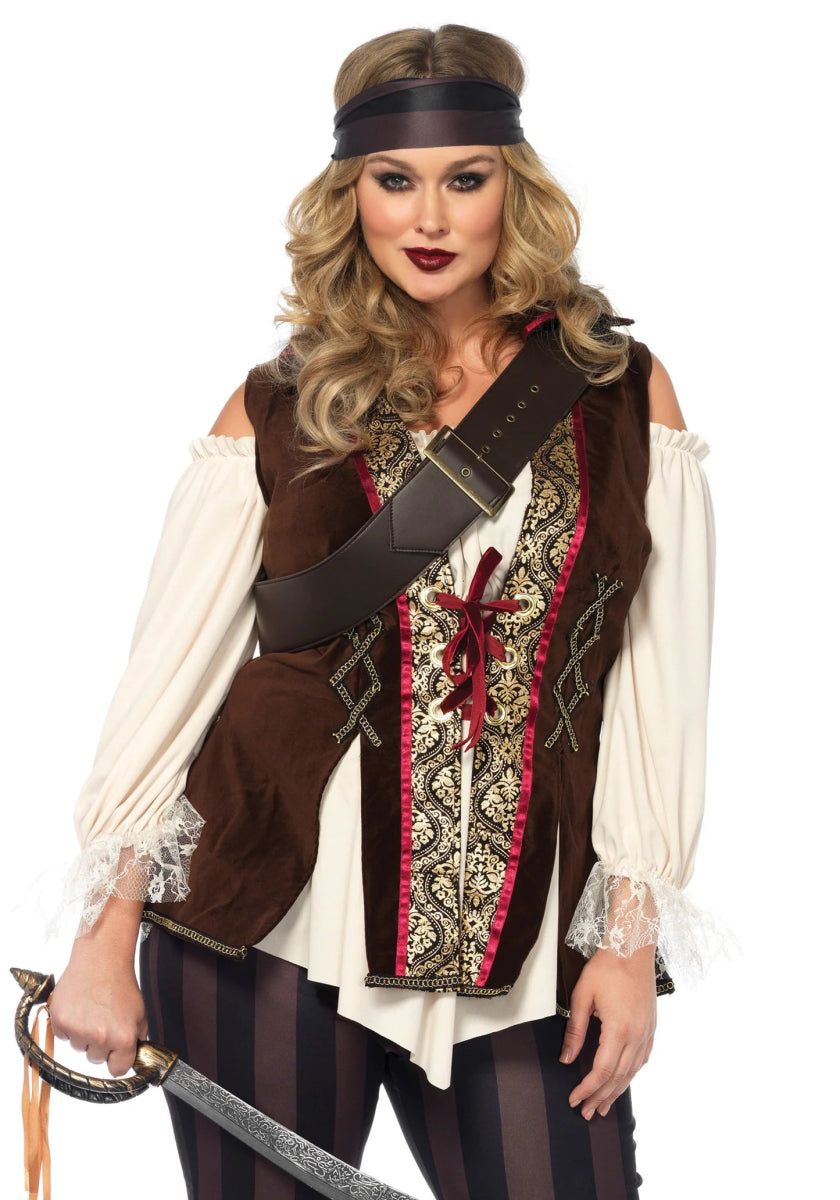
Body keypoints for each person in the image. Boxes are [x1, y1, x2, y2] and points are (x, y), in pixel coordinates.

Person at [47, 23, 725, 1200]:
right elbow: (173, 680)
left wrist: (627, 941)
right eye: (394, 181)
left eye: (466, 179)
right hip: (267, 927)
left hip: (526, 948)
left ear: (514, 188)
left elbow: (656, 687)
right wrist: (103, 941)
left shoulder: (619, 396)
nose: (430, 218)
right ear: (350, 195)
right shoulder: (280, 405)